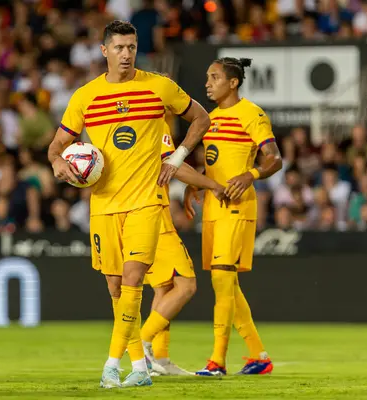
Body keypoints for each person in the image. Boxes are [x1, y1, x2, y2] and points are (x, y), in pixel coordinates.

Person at [47, 20, 210, 389]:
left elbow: (201, 117)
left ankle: (110, 365)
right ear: (104, 51)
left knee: (135, 280)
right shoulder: (85, 96)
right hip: (103, 206)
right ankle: (139, 365)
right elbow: (56, 146)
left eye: (132, 47)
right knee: (117, 290)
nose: (126, 53)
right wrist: (58, 163)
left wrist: (178, 156)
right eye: (119, 47)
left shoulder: (159, 86)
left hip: (146, 203)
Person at [183, 57, 282, 376]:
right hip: (213, 207)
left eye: (214, 77)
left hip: (238, 206)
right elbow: (216, 163)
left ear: (233, 82)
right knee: (226, 284)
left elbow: (274, 159)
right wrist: (194, 184)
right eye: (207, 77)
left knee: (222, 279)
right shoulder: (210, 118)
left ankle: (217, 360)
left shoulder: (252, 114)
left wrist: (251, 174)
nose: (208, 83)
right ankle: (259, 356)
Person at [140, 124, 229, 376]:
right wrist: (211, 184)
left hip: (138, 218)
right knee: (186, 285)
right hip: (155, 216)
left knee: (164, 287)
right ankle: (142, 342)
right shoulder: (154, 124)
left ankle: (160, 358)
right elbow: (174, 166)